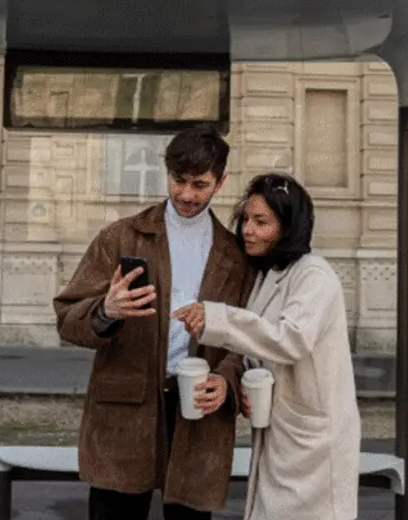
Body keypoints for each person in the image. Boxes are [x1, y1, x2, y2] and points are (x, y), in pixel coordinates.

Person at [53, 125, 256, 520]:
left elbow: (244, 335)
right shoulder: (120, 237)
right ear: (167, 173)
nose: (186, 194)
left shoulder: (234, 254)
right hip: (125, 411)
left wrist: (227, 381)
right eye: (179, 180)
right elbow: (66, 317)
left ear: (220, 183)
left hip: (197, 409)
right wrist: (106, 310)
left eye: (200, 184)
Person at [174, 173, 360, 520]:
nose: (248, 230)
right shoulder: (269, 274)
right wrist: (229, 382)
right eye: (246, 218)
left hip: (313, 444)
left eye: (261, 222)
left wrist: (217, 317)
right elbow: (258, 347)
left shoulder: (314, 276)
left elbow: (290, 340)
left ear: (288, 227)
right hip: (281, 435)